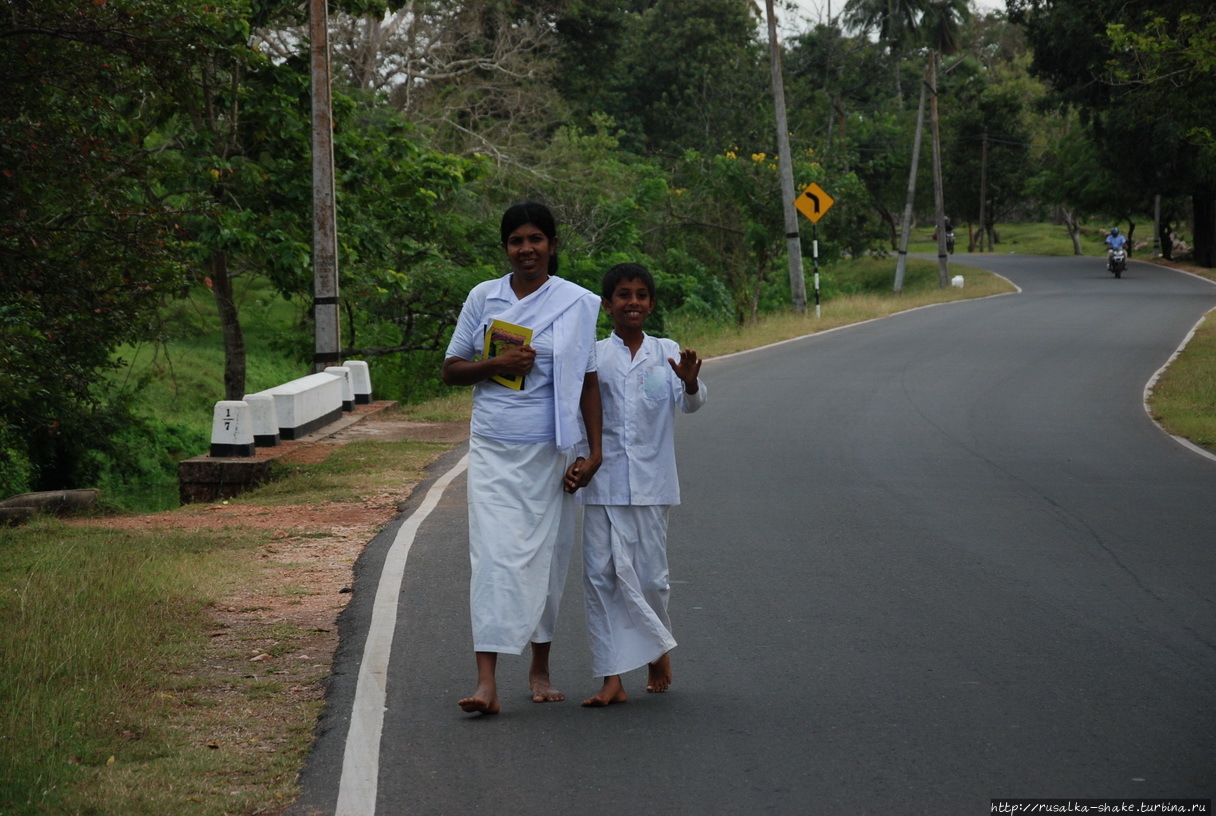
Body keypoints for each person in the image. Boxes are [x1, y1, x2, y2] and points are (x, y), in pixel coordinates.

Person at [442, 201, 603, 715]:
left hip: (552, 450)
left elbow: (589, 381)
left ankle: (540, 669)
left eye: (536, 239)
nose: (526, 249)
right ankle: (485, 681)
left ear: (552, 246)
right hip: (493, 445)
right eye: (516, 241)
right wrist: (496, 364)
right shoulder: (482, 296)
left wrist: (594, 453)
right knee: (491, 559)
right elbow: (451, 369)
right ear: (505, 248)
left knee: (546, 560)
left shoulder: (576, 303)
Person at [577, 262, 707, 708]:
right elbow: (581, 414)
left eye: (640, 295)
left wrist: (689, 383)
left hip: (652, 484)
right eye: (623, 295)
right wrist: (578, 461)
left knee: (652, 578)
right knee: (601, 579)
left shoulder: (666, 352)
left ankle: (656, 650)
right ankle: (611, 677)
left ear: (651, 303)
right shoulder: (593, 354)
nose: (632, 302)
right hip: (603, 484)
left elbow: (690, 404)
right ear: (608, 303)